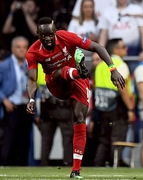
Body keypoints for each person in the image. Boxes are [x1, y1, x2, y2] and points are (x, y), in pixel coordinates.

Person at [26, 17, 125, 178]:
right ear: (38, 34)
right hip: (56, 84)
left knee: (79, 118)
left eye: (51, 34)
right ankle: (78, 71)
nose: (48, 38)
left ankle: (76, 170)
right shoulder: (33, 51)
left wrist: (112, 69)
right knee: (61, 71)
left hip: (78, 82)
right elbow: (31, 79)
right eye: (44, 36)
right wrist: (31, 99)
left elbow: (97, 46)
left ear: (55, 32)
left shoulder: (66, 36)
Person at [93, 38, 135, 167]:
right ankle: (115, 165)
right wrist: (130, 109)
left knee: (104, 139)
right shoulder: (120, 65)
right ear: (116, 50)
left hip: (102, 107)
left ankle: (98, 165)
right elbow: (122, 88)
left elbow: (96, 86)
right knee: (117, 139)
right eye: (123, 47)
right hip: (117, 107)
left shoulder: (100, 66)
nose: (126, 49)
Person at [0, 36, 33, 166]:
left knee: (24, 138)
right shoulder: (4, 65)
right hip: (12, 106)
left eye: (24, 47)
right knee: (9, 138)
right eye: (18, 47)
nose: (21, 50)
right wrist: (4, 100)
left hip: (26, 106)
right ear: (13, 49)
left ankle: (22, 167)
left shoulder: (29, 65)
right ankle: (4, 165)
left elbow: (34, 83)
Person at [35, 64, 73, 166]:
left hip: (49, 108)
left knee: (47, 139)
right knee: (66, 138)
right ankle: (67, 164)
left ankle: (45, 164)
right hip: (59, 108)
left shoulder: (39, 66)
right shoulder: (65, 62)